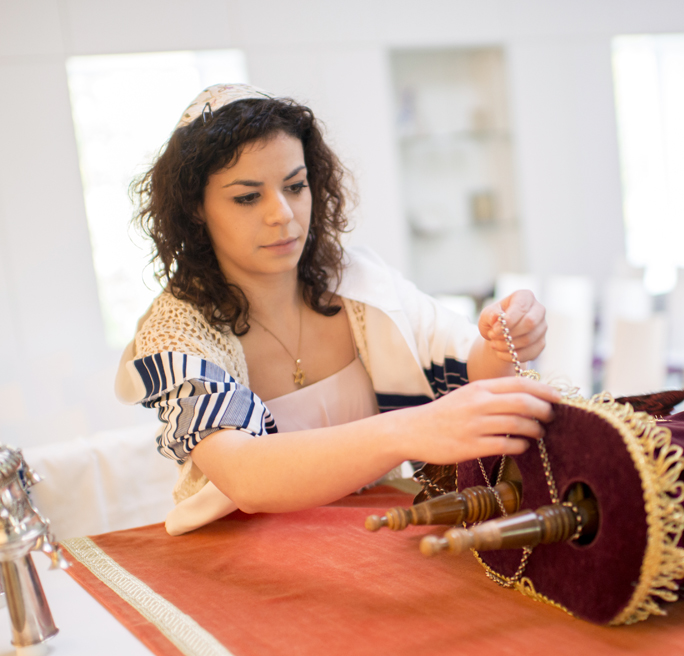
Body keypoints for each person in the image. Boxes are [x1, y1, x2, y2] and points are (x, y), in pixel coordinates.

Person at [115, 84, 559, 535]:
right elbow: (244, 475)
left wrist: (505, 341)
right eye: (248, 197)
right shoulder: (173, 332)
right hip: (241, 557)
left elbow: (470, 369)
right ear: (195, 209)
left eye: (295, 186)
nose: (283, 214)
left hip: (376, 532)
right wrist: (412, 429)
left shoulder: (359, 281)